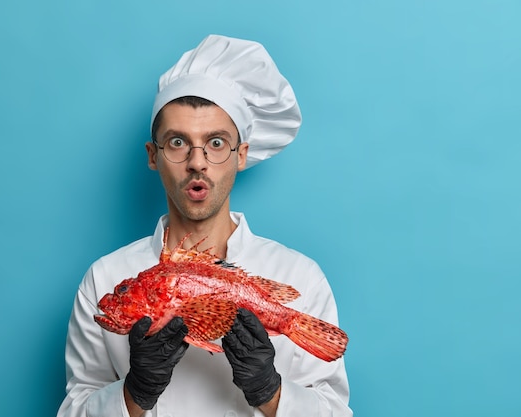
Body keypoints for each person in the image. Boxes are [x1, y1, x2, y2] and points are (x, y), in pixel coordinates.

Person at [57, 34, 352, 417]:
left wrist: (270, 391)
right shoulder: (104, 279)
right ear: (153, 156)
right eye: (178, 142)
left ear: (241, 155)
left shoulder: (301, 277)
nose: (197, 162)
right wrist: (134, 392)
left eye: (215, 142)